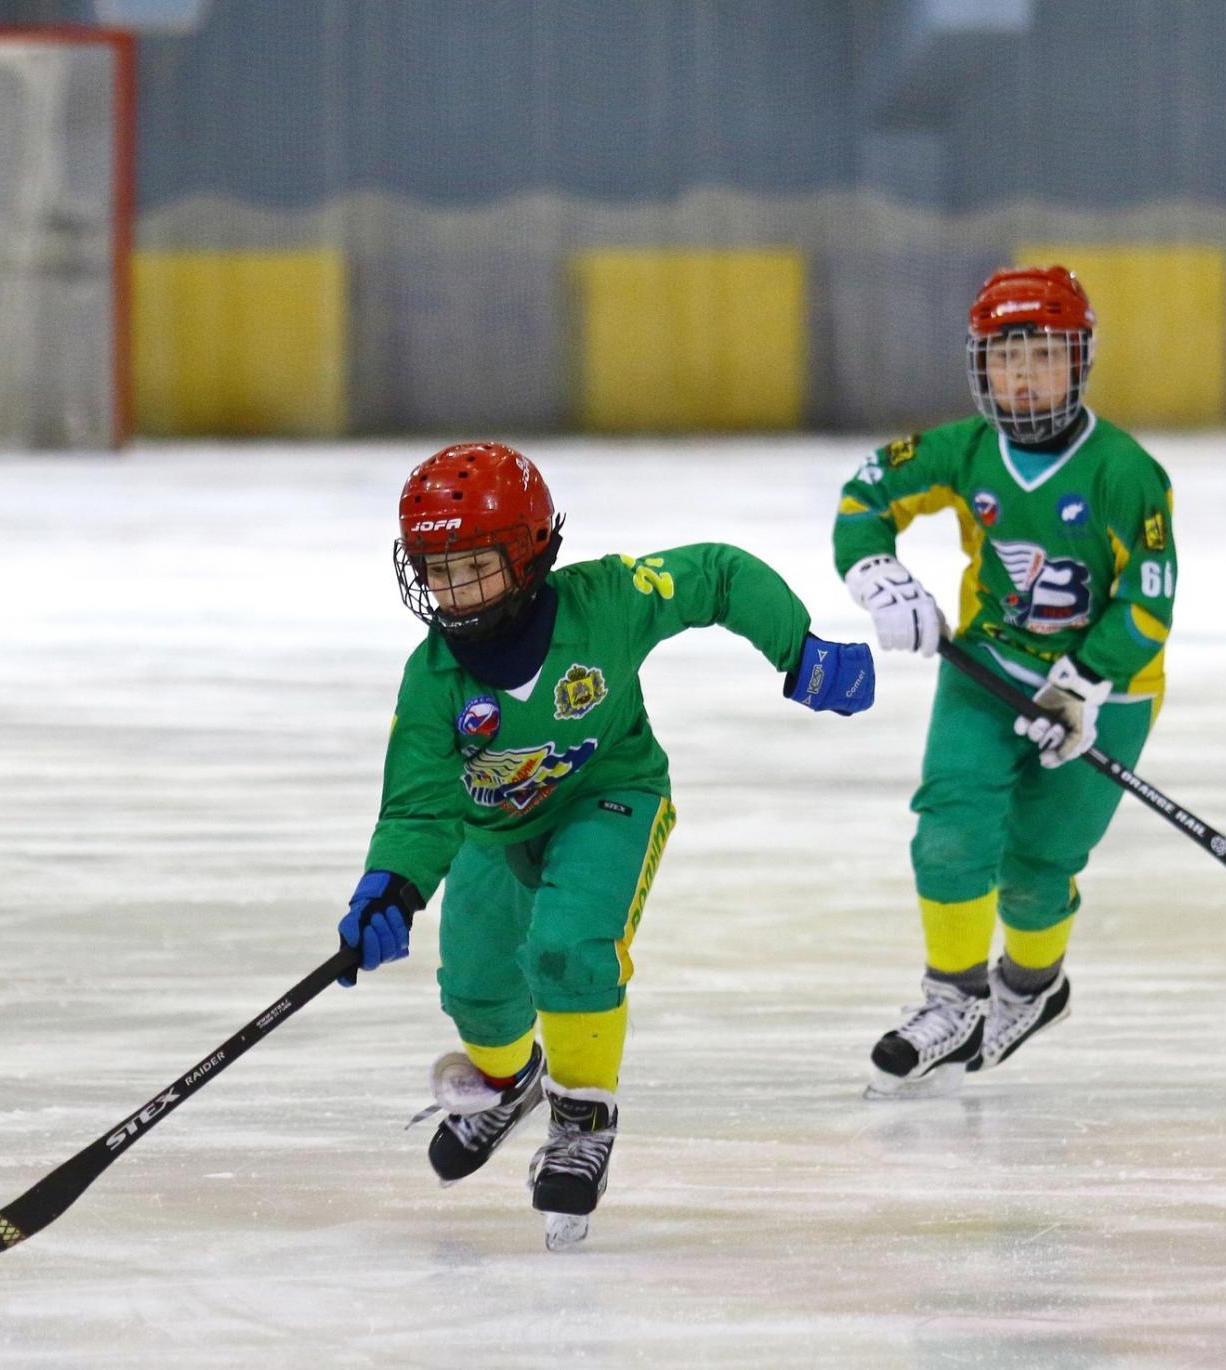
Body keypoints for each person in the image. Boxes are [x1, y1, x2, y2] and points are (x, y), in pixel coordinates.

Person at [338, 441, 876, 1250]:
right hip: (496, 830)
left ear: (529, 556)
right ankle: (508, 1081)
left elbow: (718, 574)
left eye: (472, 566)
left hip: (610, 797)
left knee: (568, 950)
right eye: (434, 569)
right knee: (477, 989)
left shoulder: (610, 602)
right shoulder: (434, 683)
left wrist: (798, 649)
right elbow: (419, 810)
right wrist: (389, 887)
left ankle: (582, 1116)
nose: (450, 593)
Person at [832, 266, 1179, 1098]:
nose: (1022, 375)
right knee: (951, 822)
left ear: (1080, 361)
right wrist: (873, 569)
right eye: (1005, 356)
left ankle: (1032, 989)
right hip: (987, 669)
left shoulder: (1126, 474)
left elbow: (1150, 600)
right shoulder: (966, 452)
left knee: (1038, 865)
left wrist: (1084, 683)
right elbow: (867, 491)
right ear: (979, 366)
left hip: (1108, 694)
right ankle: (951, 1001)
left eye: (1044, 355)